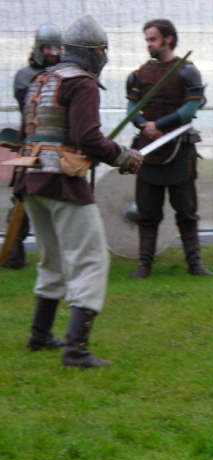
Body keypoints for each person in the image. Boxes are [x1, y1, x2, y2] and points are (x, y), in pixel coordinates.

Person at [12, 15, 142, 368]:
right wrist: (124, 156)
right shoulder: (81, 83)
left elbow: (32, 134)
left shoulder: (41, 79)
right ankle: (77, 350)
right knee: (91, 259)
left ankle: (39, 335)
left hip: (31, 179)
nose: (104, 56)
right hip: (61, 181)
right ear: (95, 53)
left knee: (52, 257)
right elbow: (87, 138)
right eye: (103, 51)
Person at [126, 19, 212, 279]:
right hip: (148, 149)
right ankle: (144, 264)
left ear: (168, 39)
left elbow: (190, 109)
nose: (149, 45)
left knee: (186, 211)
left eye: (152, 39)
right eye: (147, 41)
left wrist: (160, 125)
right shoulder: (138, 75)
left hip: (179, 150)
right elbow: (132, 111)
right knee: (147, 212)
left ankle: (194, 264)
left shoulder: (187, 72)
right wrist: (146, 127)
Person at [2, 23, 62, 270]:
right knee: (21, 205)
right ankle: (13, 258)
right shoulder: (25, 77)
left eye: (56, 47)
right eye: (47, 47)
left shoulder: (65, 75)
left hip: (59, 150)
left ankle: (62, 258)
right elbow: (35, 105)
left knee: (62, 205)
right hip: (32, 148)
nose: (52, 52)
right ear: (38, 48)